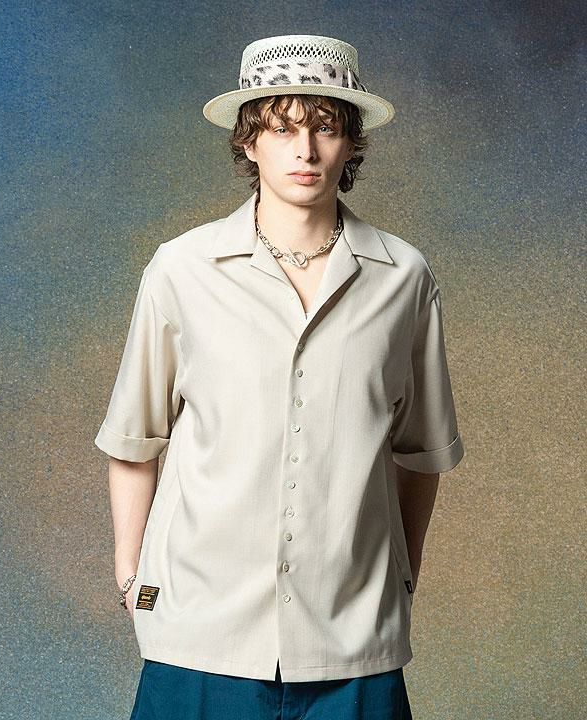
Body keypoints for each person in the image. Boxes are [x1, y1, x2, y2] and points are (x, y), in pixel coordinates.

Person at [94, 34, 464, 720]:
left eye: (325, 128)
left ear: (351, 144)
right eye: (283, 128)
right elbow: (133, 440)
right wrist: (130, 575)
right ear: (248, 142)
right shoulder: (182, 269)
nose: (306, 150)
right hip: (200, 636)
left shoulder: (404, 277)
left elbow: (421, 451)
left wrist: (400, 577)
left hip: (353, 642)